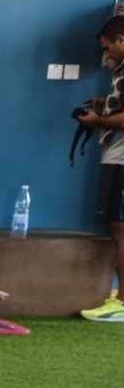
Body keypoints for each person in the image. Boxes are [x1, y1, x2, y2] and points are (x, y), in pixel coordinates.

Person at [77, 16, 124, 322]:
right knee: (116, 228)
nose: (106, 54)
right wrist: (104, 102)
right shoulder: (120, 70)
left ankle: (121, 301)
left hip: (122, 160)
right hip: (115, 157)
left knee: (121, 230)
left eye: (108, 47)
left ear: (122, 39)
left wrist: (99, 121)